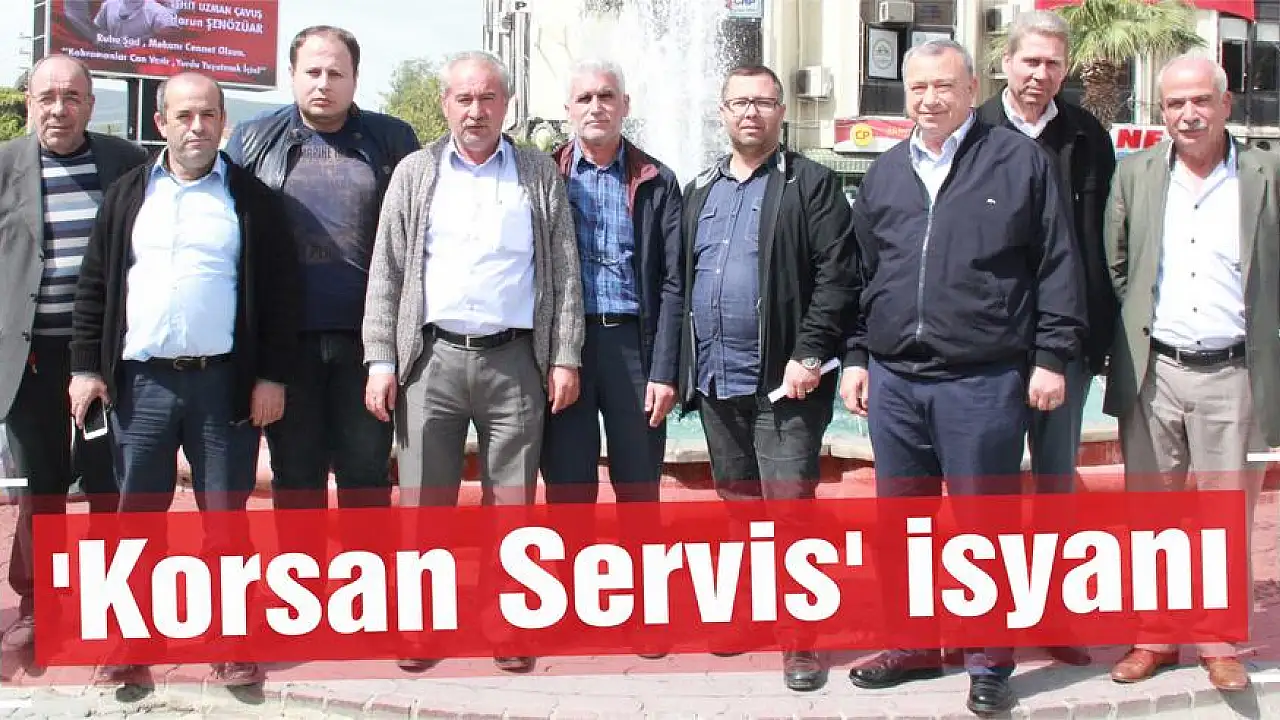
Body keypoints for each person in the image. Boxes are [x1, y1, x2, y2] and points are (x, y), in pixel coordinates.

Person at [841, 40, 1085, 716]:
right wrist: (856, 356)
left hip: (981, 381)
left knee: (984, 527)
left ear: (972, 88)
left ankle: (988, 662)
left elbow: (1057, 265)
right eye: (917, 87)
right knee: (902, 526)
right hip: (896, 380)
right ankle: (913, 646)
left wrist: (1052, 355)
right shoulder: (886, 173)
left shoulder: (1018, 161)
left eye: (943, 86)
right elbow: (864, 277)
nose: (929, 99)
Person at [69, 71, 299, 688]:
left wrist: (271, 376)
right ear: (160, 123)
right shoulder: (127, 195)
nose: (196, 127)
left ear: (223, 122)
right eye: (184, 116)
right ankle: (130, 641)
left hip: (223, 386)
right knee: (136, 519)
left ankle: (230, 641)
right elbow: (94, 286)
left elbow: (280, 298)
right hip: (141, 386)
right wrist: (86, 368)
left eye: (208, 115)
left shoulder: (252, 200)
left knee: (225, 520)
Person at [362, 50, 582, 675]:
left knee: (511, 501)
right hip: (430, 360)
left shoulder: (537, 173)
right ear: (445, 104)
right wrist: (380, 359)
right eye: (464, 98)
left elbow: (564, 270)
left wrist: (565, 354)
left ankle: (507, 620)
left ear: (506, 104)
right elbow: (387, 269)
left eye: (488, 98)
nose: (476, 111)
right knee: (423, 501)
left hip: (514, 360)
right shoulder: (415, 172)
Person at [676, 64, 859, 692]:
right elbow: (682, 279)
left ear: (781, 111)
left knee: (790, 513)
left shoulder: (812, 184)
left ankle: (800, 638)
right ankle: (752, 615)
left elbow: (838, 276)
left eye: (762, 101)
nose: (749, 112)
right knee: (739, 508)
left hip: (785, 385)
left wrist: (809, 354)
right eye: (738, 102)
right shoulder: (700, 188)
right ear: (722, 112)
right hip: (717, 379)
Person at [1102, 53, 1280, 693]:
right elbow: (1118, 265)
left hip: (1236, 372)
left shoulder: (1266, 173)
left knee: (1226, 515)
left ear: (1225, 104)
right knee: (1151, 515)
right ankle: (1154, 636)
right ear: (1162, 111)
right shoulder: (1137, 174)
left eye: (1201, 100)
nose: (1188, 114)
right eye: (1175, 103)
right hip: (1156, 372)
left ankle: (1219, 639)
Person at [226, 26, 420, 510]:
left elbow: (417, 236)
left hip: (369, 344)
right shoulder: (253, 140)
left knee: (366, 473)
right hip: (285, 345)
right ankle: (301, 563)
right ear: (291, 75)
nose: (323, 83)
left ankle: (364, 561)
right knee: (295, 477)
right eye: (312, 71)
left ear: (355, 78)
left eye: (336, 73)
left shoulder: (392, 139)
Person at [975, 8, 1117, 668]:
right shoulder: (975, 130)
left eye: (1053, 63)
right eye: (1030, 60)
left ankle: (1052, 614)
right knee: (989, 493)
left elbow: (1102, 246)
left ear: (1066, 70)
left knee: (1056, 488)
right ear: (1006, 63)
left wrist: (1096, 341)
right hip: (991, 347)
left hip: (1066, 347)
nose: (1040, 73)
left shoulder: (1088, 136)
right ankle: (988, 618)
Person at [0, 54, 146, 655]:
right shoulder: (5, 165)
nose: (58, 109)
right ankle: (40, 605)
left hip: (106, 359)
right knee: (40, 485)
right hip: (29, 359)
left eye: (71, 98)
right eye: (47, 98)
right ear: (29, 103)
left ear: (90, 104)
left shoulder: (126, 162)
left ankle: (110, 602)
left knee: (109, 481)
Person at [543, 60, 683, 506]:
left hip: (633, 346)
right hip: (568, 349)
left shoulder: (657, 180)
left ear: (625, 105)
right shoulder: (546, 175)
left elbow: (674, 282)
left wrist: (664, 370)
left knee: (639, 488)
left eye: (606, 96)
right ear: (568, 109)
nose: (596, 107)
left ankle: (640, 558)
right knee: (568, 488)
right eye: (584, 98)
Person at [93, 0, 178, 40]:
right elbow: (96, 32)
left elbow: (165, 41)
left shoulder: (159, 12)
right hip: (110, 59)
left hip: (141, 63)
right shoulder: (109, 5)